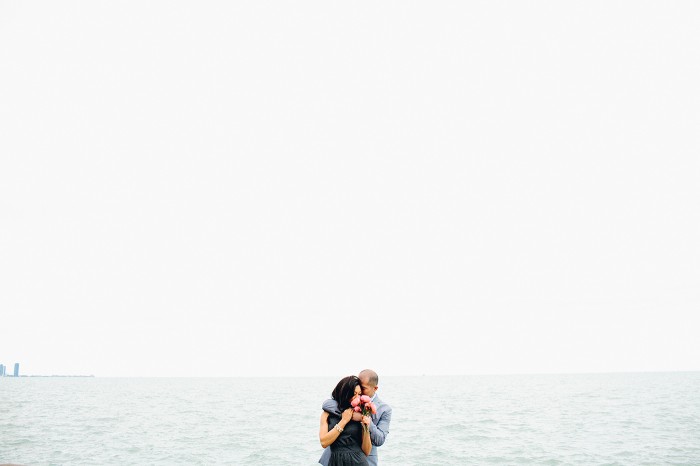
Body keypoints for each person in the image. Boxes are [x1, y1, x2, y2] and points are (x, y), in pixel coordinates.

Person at [319, 369, 392, 466]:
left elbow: (379, 440)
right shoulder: (345, 403)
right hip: (334, 458)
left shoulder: (384, 409)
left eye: (363, 388)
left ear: (375, 388)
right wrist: (347, 415)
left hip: (363, 458)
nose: (359, 394)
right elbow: (328, 404)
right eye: (355, 391)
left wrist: (364, 419)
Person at [319, 375, 372, 465]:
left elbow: (367, 451)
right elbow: (324, 442)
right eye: (354, 394)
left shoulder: (360, 413)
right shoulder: (327, 413)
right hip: (336, 461)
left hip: (358, 461)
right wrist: (344, 421)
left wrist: (366, 428)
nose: (357, 398)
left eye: (359, 394)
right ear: (345, 393)